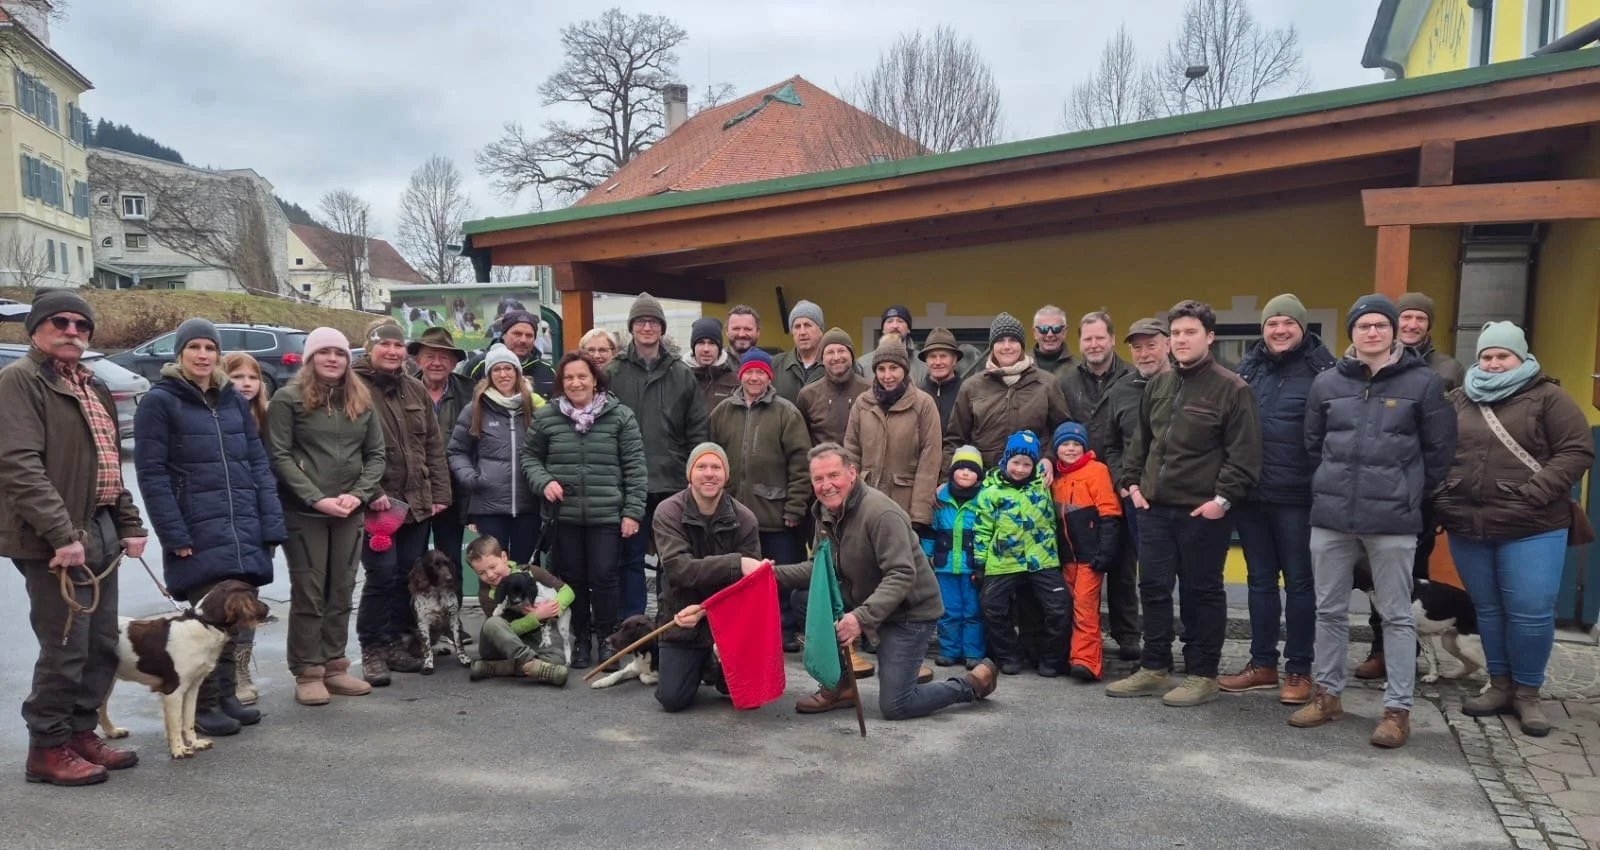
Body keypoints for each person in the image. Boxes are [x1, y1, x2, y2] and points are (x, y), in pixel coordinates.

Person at [1292, 294, 1456, 749]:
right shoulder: (1327, 383)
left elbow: (1441, 450)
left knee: (1396, 615)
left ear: (1394, 332)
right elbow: (1313, 445)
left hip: (1392, 519)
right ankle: (1328, 695)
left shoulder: (1423, 383)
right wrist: (1328, 484)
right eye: (1363, 325)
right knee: (1329, 609)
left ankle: (1397, 710)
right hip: (1332, 516)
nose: (1372, 332)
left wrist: (1409, 492)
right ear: (1353, 332)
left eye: (1381, 325)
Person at [0, 289, 147, 785]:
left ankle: (81, 732)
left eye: (81, 325)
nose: (72, 331)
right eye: (60, 322)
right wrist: (62, 535)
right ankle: (47, 748)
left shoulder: (91, 384)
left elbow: (109, 464)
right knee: (66, 645)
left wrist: (129, 523)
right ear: (36, 329)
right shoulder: (20, 381)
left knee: (102, 642)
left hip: (100, 525)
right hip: (54, 537)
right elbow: (18, 466)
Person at [1435, 322, 1593, 738]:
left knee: (1530, 609)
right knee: (1488, 609)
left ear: (1521, 358)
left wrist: (1534, 493)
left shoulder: (1550, 398)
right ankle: (1499, 684)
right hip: (1470, 523)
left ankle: (1528, 693)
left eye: (1502, 356)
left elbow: (1576, 451)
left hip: (1534, 524)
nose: (1493, 363)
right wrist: (1443, 495)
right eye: (1486, 356)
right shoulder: (1459, 399)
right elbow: (1437, 451)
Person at [765, 443, 999, 719]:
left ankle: (969, 685)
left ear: (852, 473)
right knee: (804, 599)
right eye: (818, 479)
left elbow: (901, 574)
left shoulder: (880, 513)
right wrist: (767, 574)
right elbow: (821, 569)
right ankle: (839, 686)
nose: (826, 485)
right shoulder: (826, 512)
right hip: (868, 602)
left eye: (833, 475)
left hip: (908, 613)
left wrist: (860, 619)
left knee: (897, 705)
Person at [134, 318, 287, 738]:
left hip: (242, 527)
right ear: (180, 353)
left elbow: (257, 464)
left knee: (233, 624)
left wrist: (270, 523)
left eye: (210, 348)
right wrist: (174, 534)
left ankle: (225, 696)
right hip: (197, 529)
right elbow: (151, 474)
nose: (203, 355)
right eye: (194, 347)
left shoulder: (232, 400)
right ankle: (203, 705)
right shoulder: (160, 401)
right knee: (204, 627)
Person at [1109, 300, 1262, 708]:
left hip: (1202, 512)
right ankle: (1155, 667)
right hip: (1154, 508)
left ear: (1209, 337)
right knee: (1153, 587)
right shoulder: (1159, 385)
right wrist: (1133, 485)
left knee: (1201, 591)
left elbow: (1244, 454)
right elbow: (1140, 442)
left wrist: (1221, 501)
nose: (1181, 340)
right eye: (1176, 333)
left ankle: (1202, 673)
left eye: (1190, 332)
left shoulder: (1232, 389)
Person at [1217, 295, 1335, 707]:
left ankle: (1299, 669)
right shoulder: (1248, 368)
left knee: (1300, 584)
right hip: (1252, 494)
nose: (1280, 330)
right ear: (1263, 329)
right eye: (1272, 323)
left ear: (1302, 328)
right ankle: (1262, 663)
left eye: (1288, 323)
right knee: (1260, 581)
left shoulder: (1323, 372)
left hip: (1299, 498)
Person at [265, 327, 386, 706]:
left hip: (349, 511)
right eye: (324, 352)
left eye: (339, 353)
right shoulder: (288, 399)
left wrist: (358, 494)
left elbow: (376, 455)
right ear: (310, 358)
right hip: (305, 512)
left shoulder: (361, 401)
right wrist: (316, 498)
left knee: (342, 587)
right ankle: (308, 670)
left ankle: (335, 665)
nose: (332, 359)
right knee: (310, 590)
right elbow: (279, 456)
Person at [1357, 291, 1467, 679]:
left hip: (1419, 493)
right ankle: (1380, 650)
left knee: (1411, 578)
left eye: (1421, 318)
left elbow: (1452, 433)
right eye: (1406, 317)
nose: (1412, 324)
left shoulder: (1448, 368)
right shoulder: (1369, 364)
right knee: (1376, 576)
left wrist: (1432, 488)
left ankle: (1405, 655)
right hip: (1373, 490)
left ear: (1429, 325)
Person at [522, 351, 648, 669]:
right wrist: (544, 481)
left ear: (595, 380)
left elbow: (635, 467)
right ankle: (580, 640)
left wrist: (632, 512)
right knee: (572, 580)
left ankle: (606, 639)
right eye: (569, 377)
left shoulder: (620, 416)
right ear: (561, 383)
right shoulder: (547, 417)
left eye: (582, 376)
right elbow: (529, 458)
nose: (576, 383)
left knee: (605, 578)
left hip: (607, 515)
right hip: (564, 516)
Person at [351, 322, 452, 685]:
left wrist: (439, 493)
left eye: (398, 345)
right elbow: (347, 448)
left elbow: (433, 445)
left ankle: (396, 642)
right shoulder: (353, 387)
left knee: (408, 575)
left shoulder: (415, 388)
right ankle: (373, 648)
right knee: (381, 575)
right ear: (370, 348)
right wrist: (368, 491)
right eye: (385, 345)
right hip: (376, 504)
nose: (393, 351)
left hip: (415, 501)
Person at [608, 293, 710, 620]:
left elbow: (697, 429)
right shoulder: (613, 372)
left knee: (673, 558)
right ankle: (633, 622)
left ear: (662, 328)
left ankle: (671, 619)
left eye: (653, 322)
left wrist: (693, 474)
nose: (647, 327)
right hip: (628, 483)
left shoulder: (681, 373)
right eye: (640, 322)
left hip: (672, 480)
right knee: (630, 558)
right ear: (631, 327)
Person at [707, 348, 812, 651]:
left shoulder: (786, 413)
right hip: (733, 513)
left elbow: (801, 464)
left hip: (775, 513)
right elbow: (711, 457)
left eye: (760, 373)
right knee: (738, 577)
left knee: (779, 575)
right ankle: (743, 629)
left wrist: (795, 507)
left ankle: (784, 629)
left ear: (770, 377)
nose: (754, 378)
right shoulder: (722, 412)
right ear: (740, 375)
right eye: (749, 372)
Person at [652, 442, 764, 712]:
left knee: (741, 694)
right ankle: (701, 662)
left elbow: (747, 587)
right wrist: (736, 563)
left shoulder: (746, 519)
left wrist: (705, 610)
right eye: (701, 466)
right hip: (681, 616)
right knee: (672, 700)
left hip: (728, 618)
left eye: (717, 467)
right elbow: (679, 569)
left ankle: (715, 664)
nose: (709, 473)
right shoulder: (668, 512)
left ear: (726, 475)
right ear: (689, 474)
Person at [971, 430, 1070, 677]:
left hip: (1042, 559)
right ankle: (1009, 654)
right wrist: (980, 562)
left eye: (1027, 464)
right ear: (1006, 460)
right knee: (992, 606)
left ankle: (1050, 658)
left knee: (1059, 608)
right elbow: (982, 528)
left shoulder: (1043, 484)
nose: (1020, 469)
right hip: (1003, 560)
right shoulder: (991, 491)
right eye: (1016, 462)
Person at [1101, 317, 1171, 661]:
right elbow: (1112, 445)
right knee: (1148, 579)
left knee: (1191, 581)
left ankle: (1195, 656)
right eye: (1138, 347)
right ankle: (1155, 655)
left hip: (1184, 497)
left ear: (1168, 344)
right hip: (1137, 498)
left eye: (1151, 345)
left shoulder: (1186, 384)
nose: (1144, 353)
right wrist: (1123, 483)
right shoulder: (1121, 391)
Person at [448, 344, 545, 564]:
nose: (503, 374)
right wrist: (470, 477)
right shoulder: (476, 408)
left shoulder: (533, 408)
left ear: (517, 373)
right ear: (489, 375)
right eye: (497, 369)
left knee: (524, 569)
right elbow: (457, 450)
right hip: (489, 505)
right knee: (492, 569)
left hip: (528, 504)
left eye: (508, 368)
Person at [945, 312, 1074, 468]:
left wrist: (1049, 459)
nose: (1007, 346)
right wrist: (951, 476)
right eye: (1000, 340)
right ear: (992, 346)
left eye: (1013, 340)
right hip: (984, 477)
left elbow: (1062, 430)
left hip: (1033, 475)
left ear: (1022, 346)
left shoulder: (1046, 383)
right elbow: (955, 440)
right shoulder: (972, 386)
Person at [409, 326, 476, 626]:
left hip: (454, 490)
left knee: (450, 561)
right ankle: (415, 625)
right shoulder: (404, 389)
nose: (436, 362)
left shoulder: (470, 391)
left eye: (443, 357)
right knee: (412, 561)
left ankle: (452, 624)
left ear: (454, 362)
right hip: (412, 491)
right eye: (430, 356)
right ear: (418, 360)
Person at [844, 334, 942, 530]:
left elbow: (929, 459)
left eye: (893, 368)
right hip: (865, 502)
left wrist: (920, 513)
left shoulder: (923, 404)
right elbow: (851, 451)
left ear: (905, 369)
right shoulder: (863, 403)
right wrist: (849, 499)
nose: (887, 376)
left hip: (904, 505)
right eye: (881, 369)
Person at [1049, 422, 1122, 683]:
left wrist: (1106, 551)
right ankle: (1068, 656)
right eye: (1065, 444)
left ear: (1085, 447)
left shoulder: (1096, 470)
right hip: (1066, 556)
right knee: (1066, 605)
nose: (1071, 449)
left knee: (1085, 606)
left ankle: (1087, 661)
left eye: (1076, 444)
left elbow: (1110, 511)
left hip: (1090, 556)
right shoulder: (1056, 477)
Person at [222, 351, 272, 706]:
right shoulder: (218, 415)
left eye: (252, 378)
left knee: (248, 597)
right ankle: (219, 672)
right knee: (221, 597)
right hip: (224, 520)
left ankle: (241, 668)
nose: (245, 384)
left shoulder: (267, 419)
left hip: (258, 522)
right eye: (237, 377)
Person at [465, 535, 572, 686]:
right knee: (492, 623)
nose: (489, 575)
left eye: (492, 567)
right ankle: (530, 664)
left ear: (504, 557)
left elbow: (567, 591)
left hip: (526, 642)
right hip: (498, 647)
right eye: (481, 573)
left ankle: (495, 668)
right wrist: (536, 617)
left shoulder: (530, 571)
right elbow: (509, 630)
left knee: (557, 657)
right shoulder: (486, 593)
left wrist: (553, 607)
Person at [924, 446, 987, 669]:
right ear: (952, 472)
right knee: (949, 610)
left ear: (979, 475)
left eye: (971, 470)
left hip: (971, 567)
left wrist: (983, 564)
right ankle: (949, 650)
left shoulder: (984, 499)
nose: (965, 473)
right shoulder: (940, 499)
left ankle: (973, 652)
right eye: (960, 468)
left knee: (973, 611)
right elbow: (931, 530)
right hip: (945, 566)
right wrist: (926, 555)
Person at [1058, 312, 1135, 487]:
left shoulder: (1133, 379)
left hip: (1124, 482)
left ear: (1112, 339)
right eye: (1087, 339)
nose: (1094, 345)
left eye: (1100, 338)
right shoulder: (1066, 383)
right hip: (1079, 482)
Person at [797, 327, 870, 446]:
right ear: (822, 358)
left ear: (851, 355)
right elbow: (801, 440)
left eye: (841, 351)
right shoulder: (807, 395)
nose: (836, 357)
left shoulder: (869, 391)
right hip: (823, 457)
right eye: (830, 352)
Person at [462, 309, 557, 398]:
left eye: (529, 335)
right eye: (517, 334)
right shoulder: (479, 364)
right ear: (503, 335)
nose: (523, 340)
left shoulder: (548, 370)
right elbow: (462, 401)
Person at [856, 306, 928, 385]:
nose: (895, 325)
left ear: (908, 329)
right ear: (883, 329)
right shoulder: (863, 364)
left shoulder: (923, 362)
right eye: (890, 321)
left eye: (900, 321)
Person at [773, 299, 827, 403]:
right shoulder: (776, 365)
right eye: (797, 327)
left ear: (821, 330)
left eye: (807, 325)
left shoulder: (833, 363)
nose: (802, 332)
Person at [918, 327, 966, 434]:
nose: (938, 362)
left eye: (943, 356)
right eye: (932, 356)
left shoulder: (968, 393)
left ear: (954, 359)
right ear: (926, 360)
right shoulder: (916, 394)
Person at [689, 316, 740, 415]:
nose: (706, 349)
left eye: (712, 343)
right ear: (693, 347)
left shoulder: (735, 380)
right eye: (701, 343)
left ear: (719, 348)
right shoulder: (680, 378)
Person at [1031, 305, 1076, 377]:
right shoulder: (1021, 365)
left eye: (1056, 328)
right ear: (1035, 333)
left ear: (1064, 332)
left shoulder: (1079, 369)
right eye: (1044, 329)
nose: (1050, 334)